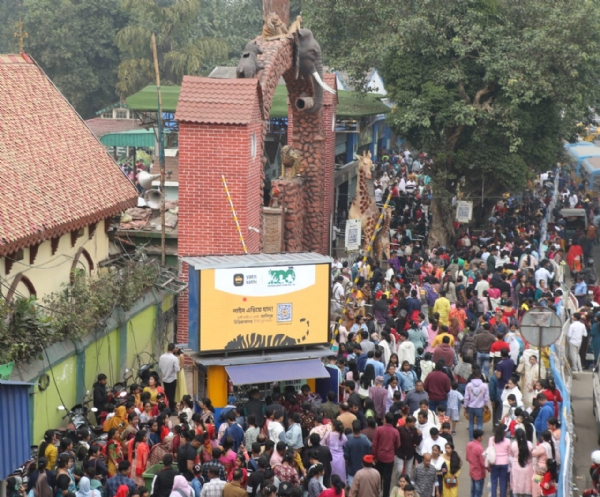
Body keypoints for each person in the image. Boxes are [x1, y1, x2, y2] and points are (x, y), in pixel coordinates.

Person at [344, 420, 372, 488]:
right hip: (363, 468)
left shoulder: (348, 442)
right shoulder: (365, 441)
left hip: (352, 469)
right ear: (360, 430)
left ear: (353, 430)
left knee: (352, 487)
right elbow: (369, 453)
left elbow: (346, 458)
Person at [509, 428, 534, 497]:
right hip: (528, 467)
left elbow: (511, 454)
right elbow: (532, 455)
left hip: (516, 467)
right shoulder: (529, 444)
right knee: (527, 485)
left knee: (516, 483)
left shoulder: (513, 444)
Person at [488, 424, 511, 497]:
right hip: (504, 463)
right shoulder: (508, 441)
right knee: (503, 482)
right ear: (504, 432)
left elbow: (489, 451)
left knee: (494, 482)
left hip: (494, 462)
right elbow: (509, 453)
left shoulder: (491, 439)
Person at [159, 343, 180, 409]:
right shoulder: (174, 358)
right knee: (172, 395)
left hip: (165, 378)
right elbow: (177, 369)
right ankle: (171, 409)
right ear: (173, 349)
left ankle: (165, 406)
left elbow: (160, 366)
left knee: (166, 393)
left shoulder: (162, 357)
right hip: (172, 378)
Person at [466, 429, 486, 497]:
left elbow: (467, 458)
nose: (483, 437)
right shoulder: (480, 448)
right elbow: (483, 463)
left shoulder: (469, 445)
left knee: (473, 490)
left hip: (472, 471)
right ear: (479, 437)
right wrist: (489, 468)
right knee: (478, 492)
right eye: (482, 436)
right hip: (479, 473)